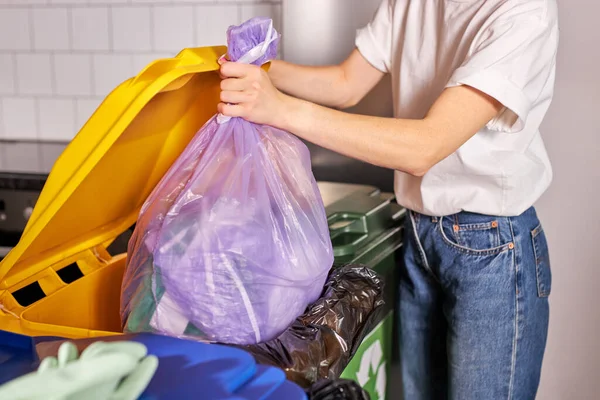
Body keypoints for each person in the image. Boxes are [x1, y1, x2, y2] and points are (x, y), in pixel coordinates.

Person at [218, 0, 559, 398]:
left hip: (492, 250)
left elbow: (425, 147)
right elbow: (346, 83)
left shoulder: (524, 12)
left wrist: (278, 108)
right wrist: (253, 69)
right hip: (417, 233)